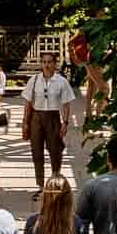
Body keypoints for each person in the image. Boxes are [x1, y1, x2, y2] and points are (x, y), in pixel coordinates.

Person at [22, 48, 76, 192]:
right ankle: (40, 184)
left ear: (55, 64)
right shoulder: (34, 80)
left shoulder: (61, 82)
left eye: (49, 62)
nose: (46, 65)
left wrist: (65, 122)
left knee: (55, 150)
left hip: (53, 117)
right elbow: (27, 103)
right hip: (36, 117)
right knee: (36, 152)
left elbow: (66, 104)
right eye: (44, 62)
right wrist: (25, 123)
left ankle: (55, 181)